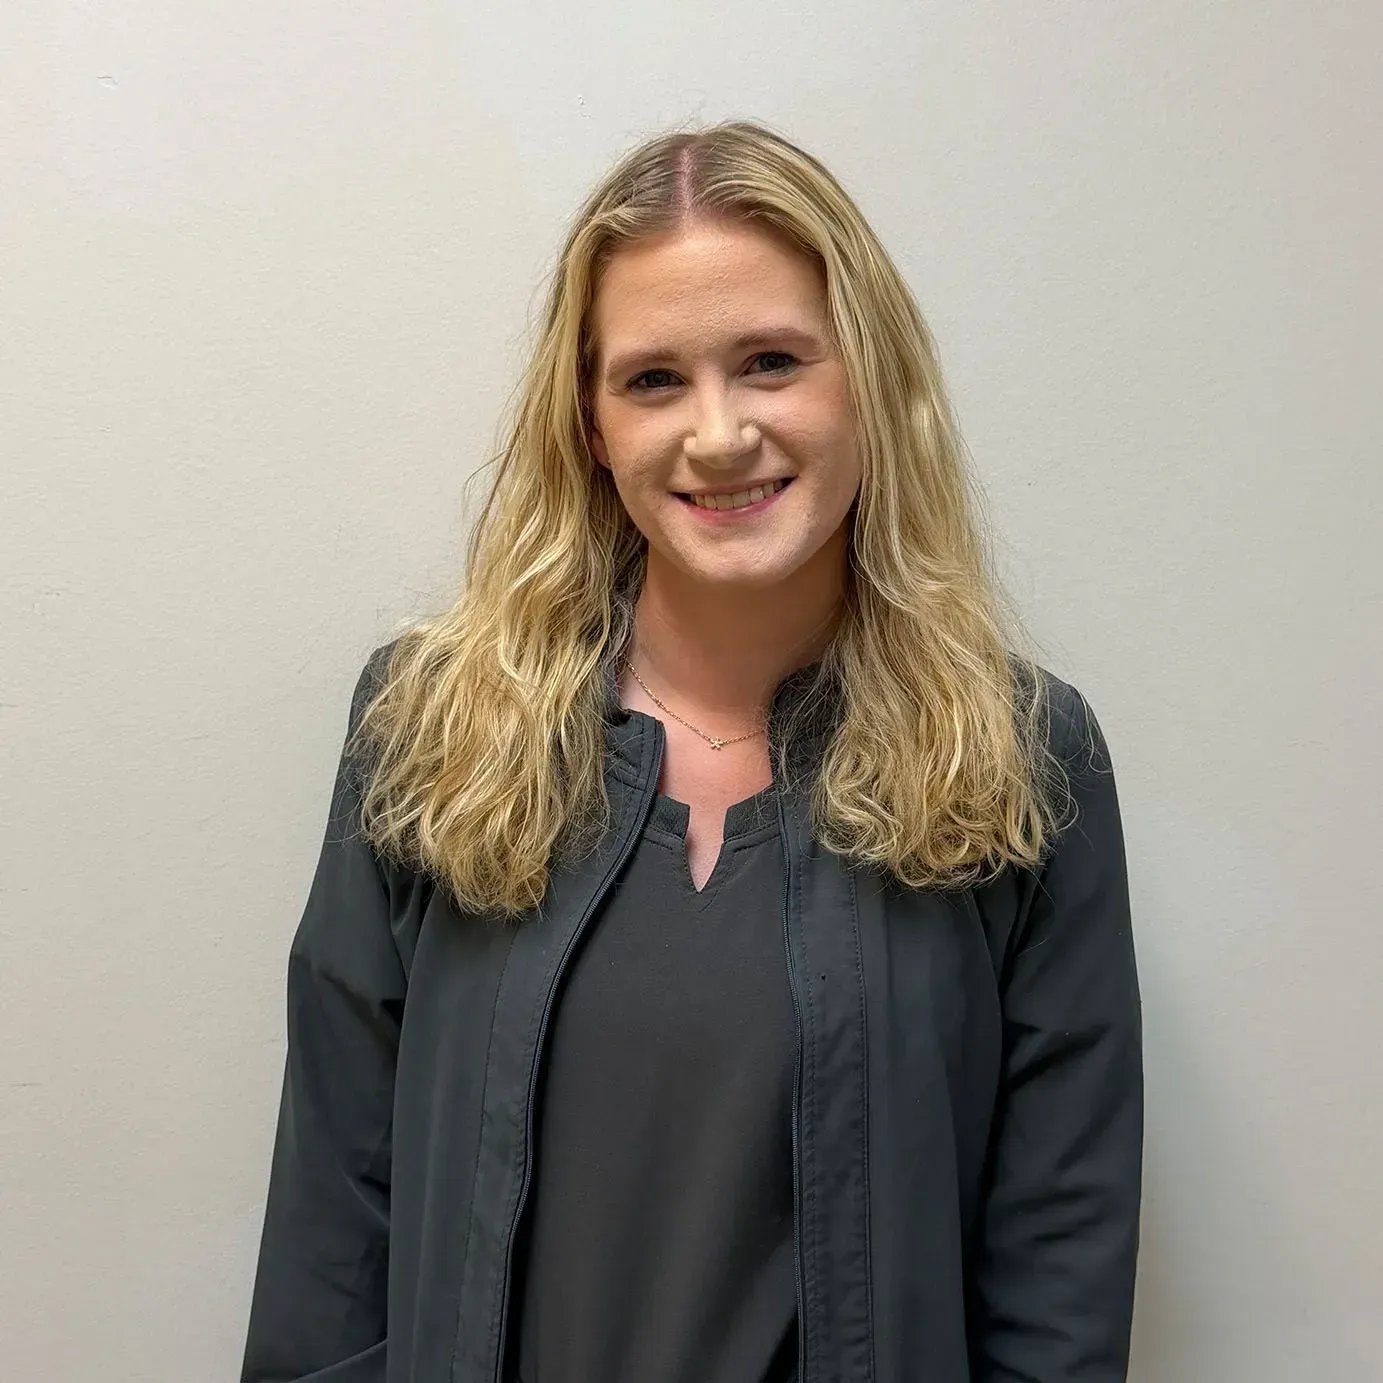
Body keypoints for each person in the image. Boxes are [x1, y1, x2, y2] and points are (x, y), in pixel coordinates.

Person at [240, 119, 1143, 1383]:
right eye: (654, 379)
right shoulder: (433, 730)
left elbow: (1058, 1265)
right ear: (592, 426)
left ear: (869, 384)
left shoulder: (1018, 762)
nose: (718, 434)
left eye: (771, 362)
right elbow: (336, 1219)